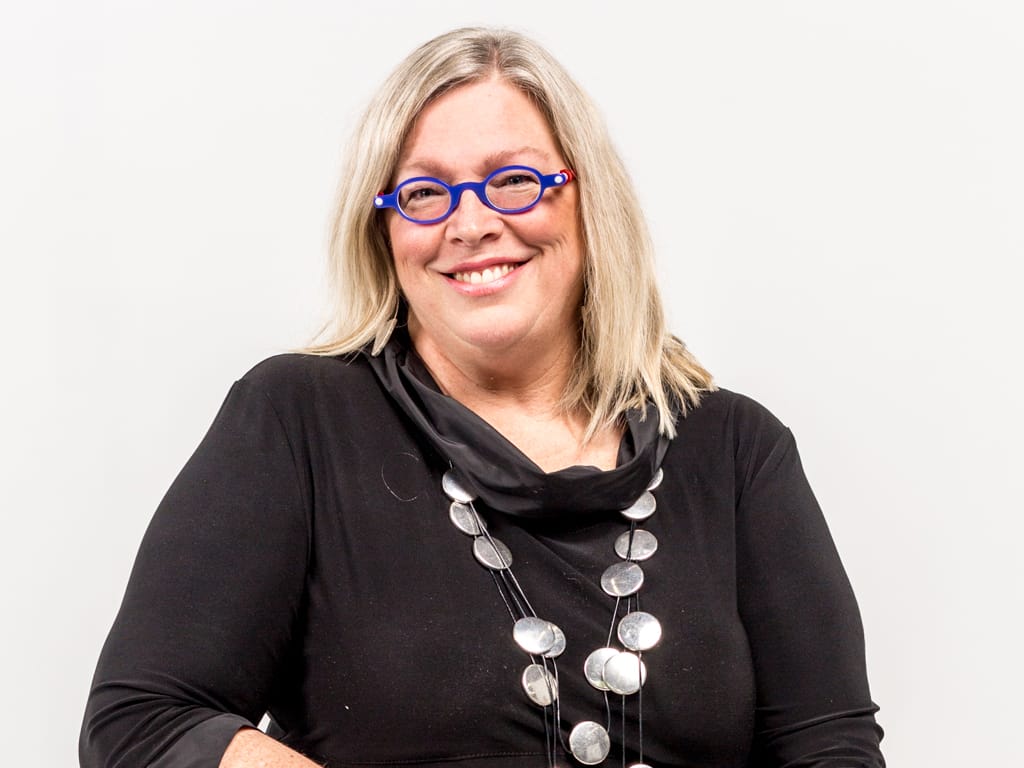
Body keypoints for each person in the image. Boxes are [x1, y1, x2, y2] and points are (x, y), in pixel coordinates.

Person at [80, 26, 885, 768]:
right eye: (425, 193)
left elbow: (830, 746)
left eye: (514, 180)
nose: (470, 224)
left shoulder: (735, 449)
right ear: (386, 232)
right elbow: (146, 724)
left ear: (587, 200)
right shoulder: (298, 420)